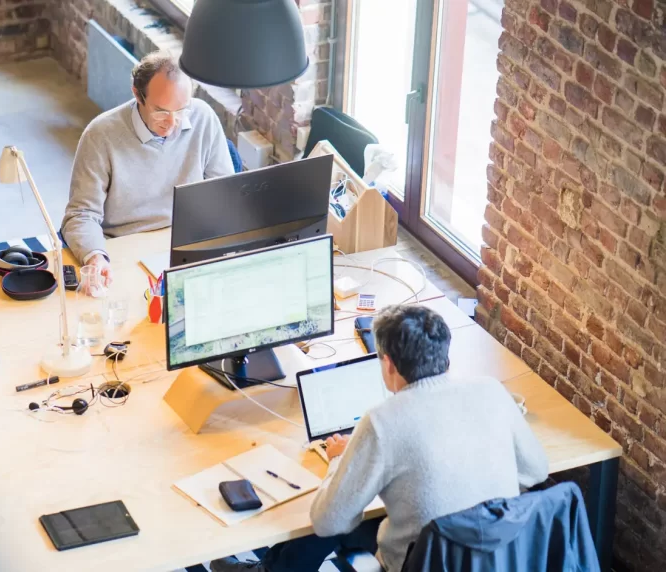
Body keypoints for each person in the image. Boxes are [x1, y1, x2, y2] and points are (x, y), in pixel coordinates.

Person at [212, 305, 549, 572]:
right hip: (499, 558)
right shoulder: (490, 390)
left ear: (388, 364)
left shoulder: (383, 421)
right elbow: (536, 471)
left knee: (332, 513)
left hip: (421, 562)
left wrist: (339, 460)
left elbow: (329, 521)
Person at [60, 51, 234, 289]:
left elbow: (224, 195)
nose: (172, 123)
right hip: (123, 249)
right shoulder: (100, 135)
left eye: (181, 110)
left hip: (185, 245)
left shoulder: (203, 116)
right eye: (161, 111)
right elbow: (80, 215)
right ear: (137, 95)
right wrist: (95, 256)